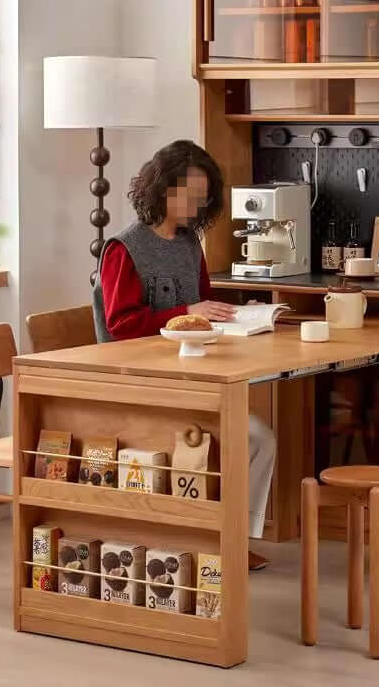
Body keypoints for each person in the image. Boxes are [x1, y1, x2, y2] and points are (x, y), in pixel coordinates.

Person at [92, 140, 275, 570]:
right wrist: (186, 312)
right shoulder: (123, 249)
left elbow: (205, 306)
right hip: (144, 384)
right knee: (249, 437)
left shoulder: (190, 243)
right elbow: (121, 327)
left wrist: (238, 314)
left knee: (260, 438)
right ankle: (212, 539)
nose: (196, 205)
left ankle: (232, 541)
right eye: (190, 195)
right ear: (162, 188)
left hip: (192, 378)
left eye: (202, 198)